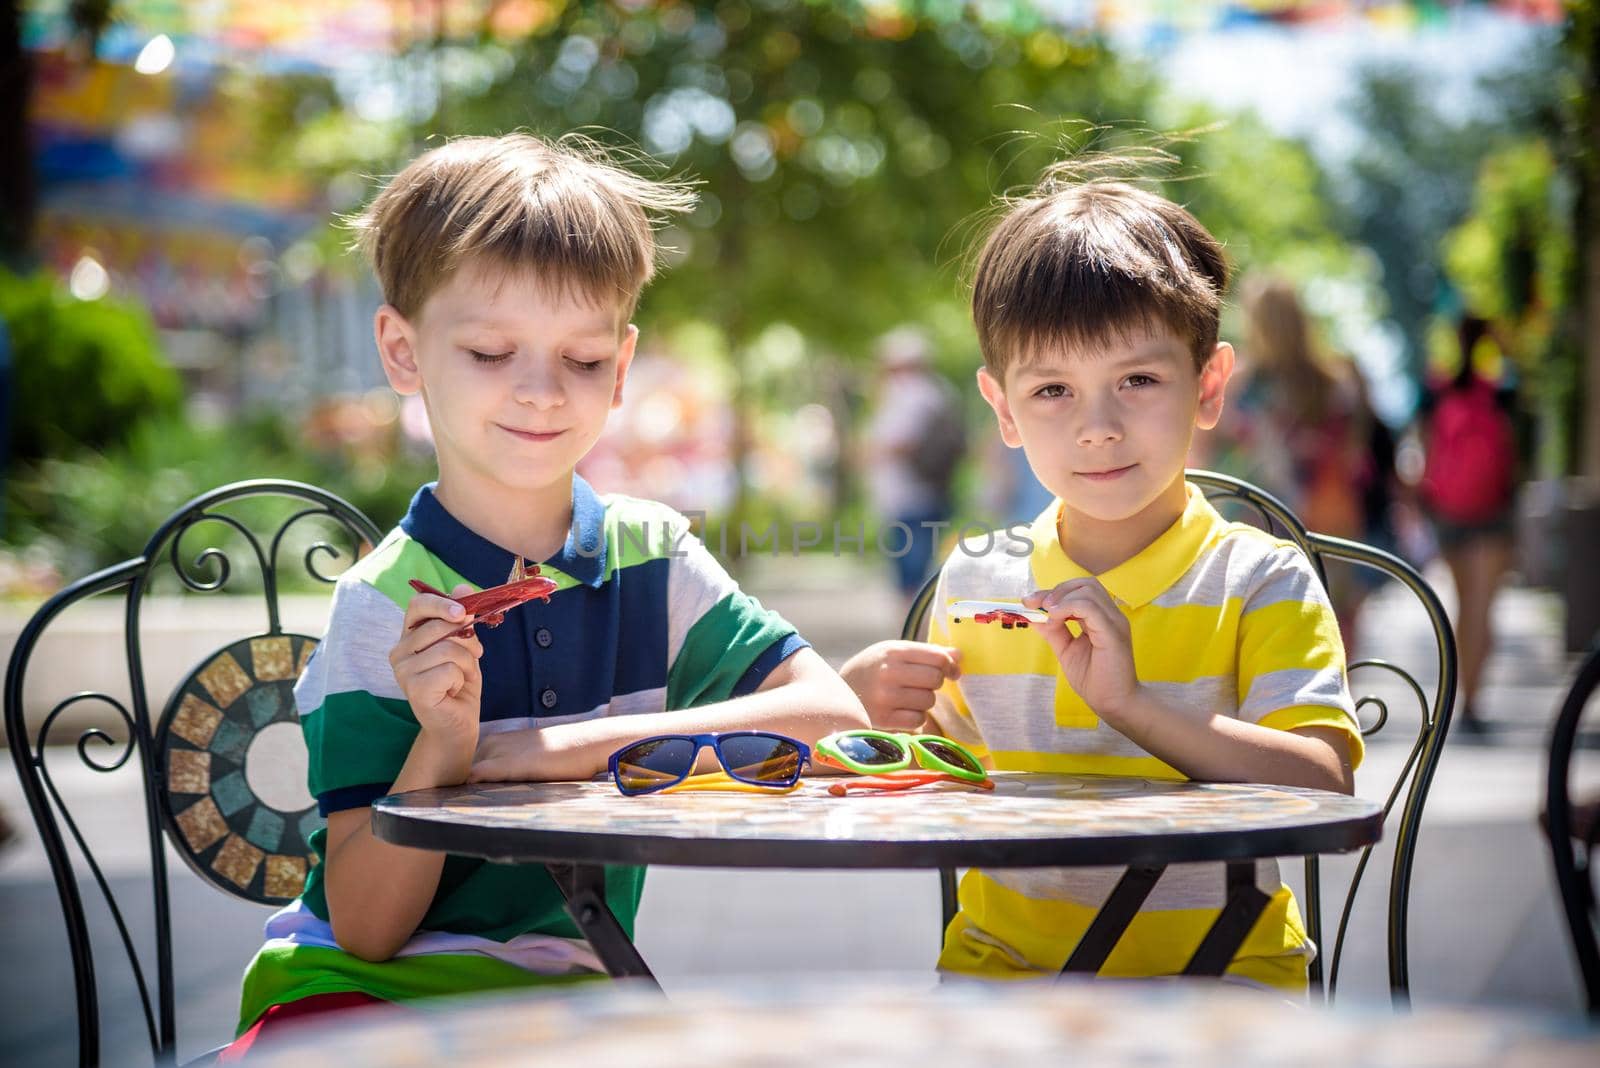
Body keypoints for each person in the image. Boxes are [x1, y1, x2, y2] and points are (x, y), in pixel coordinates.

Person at [222, 133, 867, 1058]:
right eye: (489, 352)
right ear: (403, 351)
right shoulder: (387, 604)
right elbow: (365, 927)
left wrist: (548, 750)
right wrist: (442, 749)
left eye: (583, 358)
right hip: (359, 1001)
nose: (540, 391)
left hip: (570, 997)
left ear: (624, 363)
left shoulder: (653, 557)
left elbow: (830, 716)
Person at [840, 171, 1361, 988]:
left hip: (1219, 985)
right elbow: (943, 782)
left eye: (1139, 380)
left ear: (1209, 386)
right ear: (1002, 409)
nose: (1098, 427)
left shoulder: (1258, 578)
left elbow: (1326, 786)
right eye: (1052, 390)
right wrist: (866, 719)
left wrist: (1132, 705)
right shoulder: (978, 581)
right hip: (1005, 978)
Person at [1220, 276, 1392, 647]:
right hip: (1329, 511)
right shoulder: (1336, 380)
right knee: (1329, 614)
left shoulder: (1243, 383)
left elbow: (1208, 446)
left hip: (1258, 513)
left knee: (1261, 624)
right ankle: (1335, 700)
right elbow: (1355, 455)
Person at [1415, 315, 1518, 735]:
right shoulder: (1502, 389)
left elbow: (1422, 450)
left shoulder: (1435, 391)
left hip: (1449, 509)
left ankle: (1464, 699)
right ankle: (1474, 700)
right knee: (1483, 608)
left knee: (1463, 606)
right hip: (1494, 509)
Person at [863, 326, 966, 604]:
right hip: (924, 492)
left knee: (911, 569)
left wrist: (869, 452)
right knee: (917, 563)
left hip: (913, 495)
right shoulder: (938, 391)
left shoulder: (913, 393)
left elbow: (900, 442)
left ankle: (912, 628)